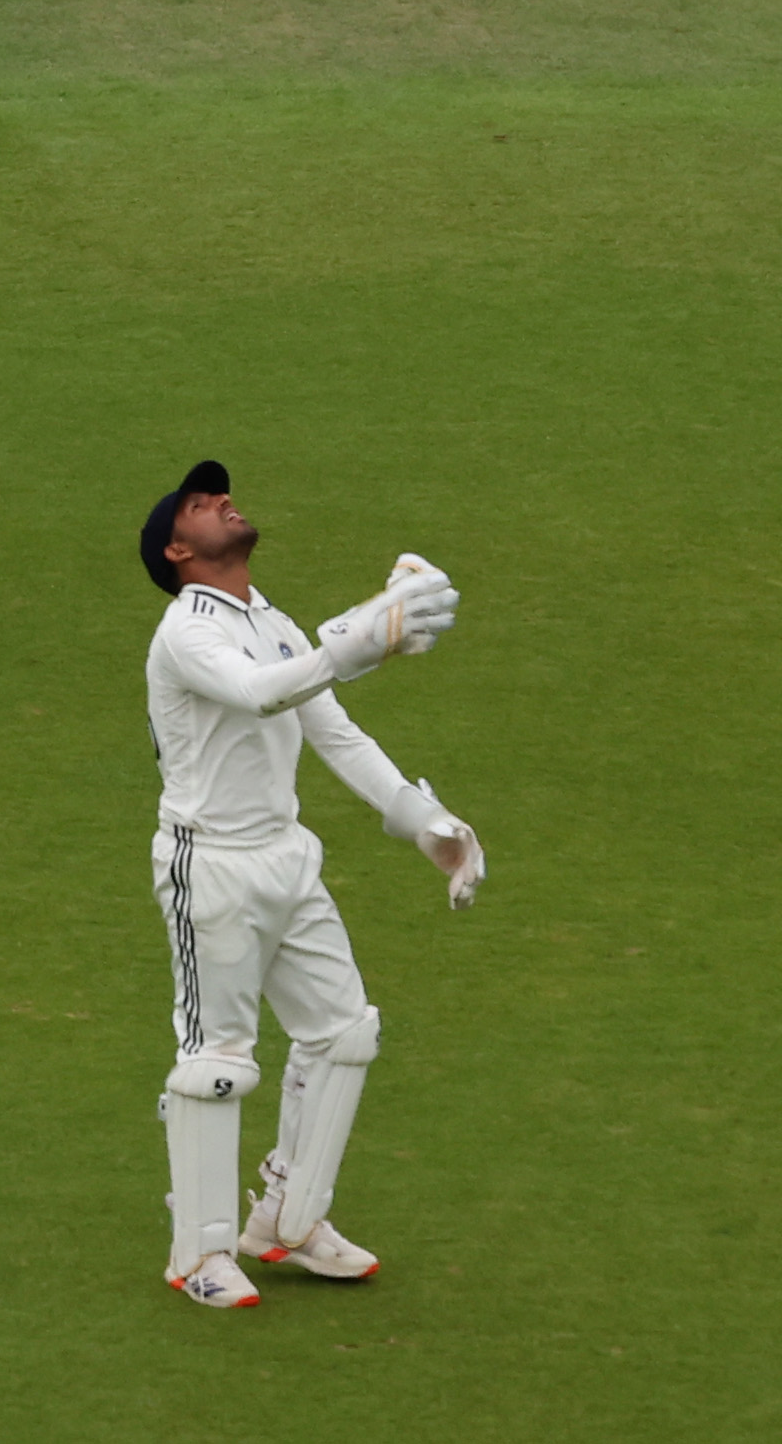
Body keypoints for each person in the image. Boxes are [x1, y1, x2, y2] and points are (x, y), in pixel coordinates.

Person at [135, 463, 481, 1309]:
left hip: (287, 856)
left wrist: (417, 816)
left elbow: (330, 728)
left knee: (342, 1034)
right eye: (197, 504)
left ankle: (286, 1224)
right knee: (217, 1062)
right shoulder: (187, 630)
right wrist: (355, 643)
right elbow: (258, 697)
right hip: (209, 864)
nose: (220, 499)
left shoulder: (272, 621)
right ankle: (200, 1254)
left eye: (217, 493)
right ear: (179, 549)